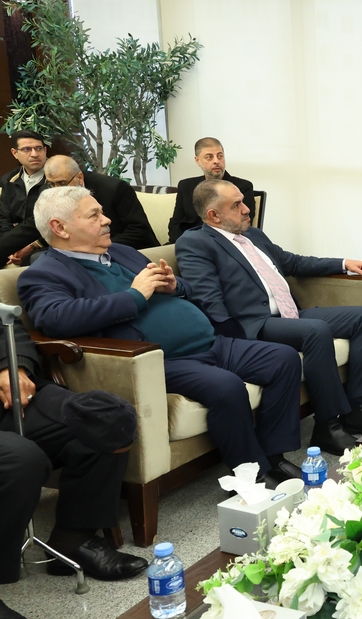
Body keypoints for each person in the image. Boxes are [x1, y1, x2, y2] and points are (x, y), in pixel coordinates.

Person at [17, 186, 303, 487]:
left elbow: (186, 288)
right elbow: (56, 318)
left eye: (102, 212)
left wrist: (174, 285)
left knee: (283, 359)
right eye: (94, 215)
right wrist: (134, 296)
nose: (107, 220)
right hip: (162, 359)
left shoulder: (122, 252)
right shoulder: (44, 273)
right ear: (59, 227)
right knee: (226, 386)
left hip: (211, 343)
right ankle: (252, 477)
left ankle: (274, 456)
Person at [175, 179, 362, 454]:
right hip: (254, 324)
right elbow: (207, 298)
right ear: (213, 215)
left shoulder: (253, 235)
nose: (247, 209)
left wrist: (343, 263)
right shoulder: (195, 242)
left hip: (290, 314)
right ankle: (328, 425)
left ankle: (355, 408)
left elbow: (293, 262)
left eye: (243, 201)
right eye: (236, 205)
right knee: (316, 330)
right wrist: (233, 341)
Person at [0, 320, 147, 619]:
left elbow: (7, 325)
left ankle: (74, 538)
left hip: (11, 397)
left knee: (109, 418)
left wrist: (13, 366)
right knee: (22, 460)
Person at [0, 152, 158, 265]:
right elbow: (32, 226)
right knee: (34, 258)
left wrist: (90, 246)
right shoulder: (50, 191)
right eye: (51, 183)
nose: (56, 189)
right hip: (78, 250)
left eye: (61, 183)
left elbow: (139, 232)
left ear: (80, 177)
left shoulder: (114, 188)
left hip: (125, 249)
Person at [168, 137, 256, 243]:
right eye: (209, 157)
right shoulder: (186, 186)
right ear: (197, 161)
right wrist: (180, 243)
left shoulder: (242, 187)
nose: (216, 161)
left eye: (220, 156)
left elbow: (242, 225)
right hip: (187, 241)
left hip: (223, 243)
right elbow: (175, 223)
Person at [1, 131, 48, 240]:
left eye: (39, 148)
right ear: (15, 153)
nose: (34, 154)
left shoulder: (58, 177)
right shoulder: (8, 180)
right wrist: (9, 244)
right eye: (26, 149)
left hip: (46, 242)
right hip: (13, 240)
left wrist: (31, 246)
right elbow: (3, 218)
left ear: (45, 150)